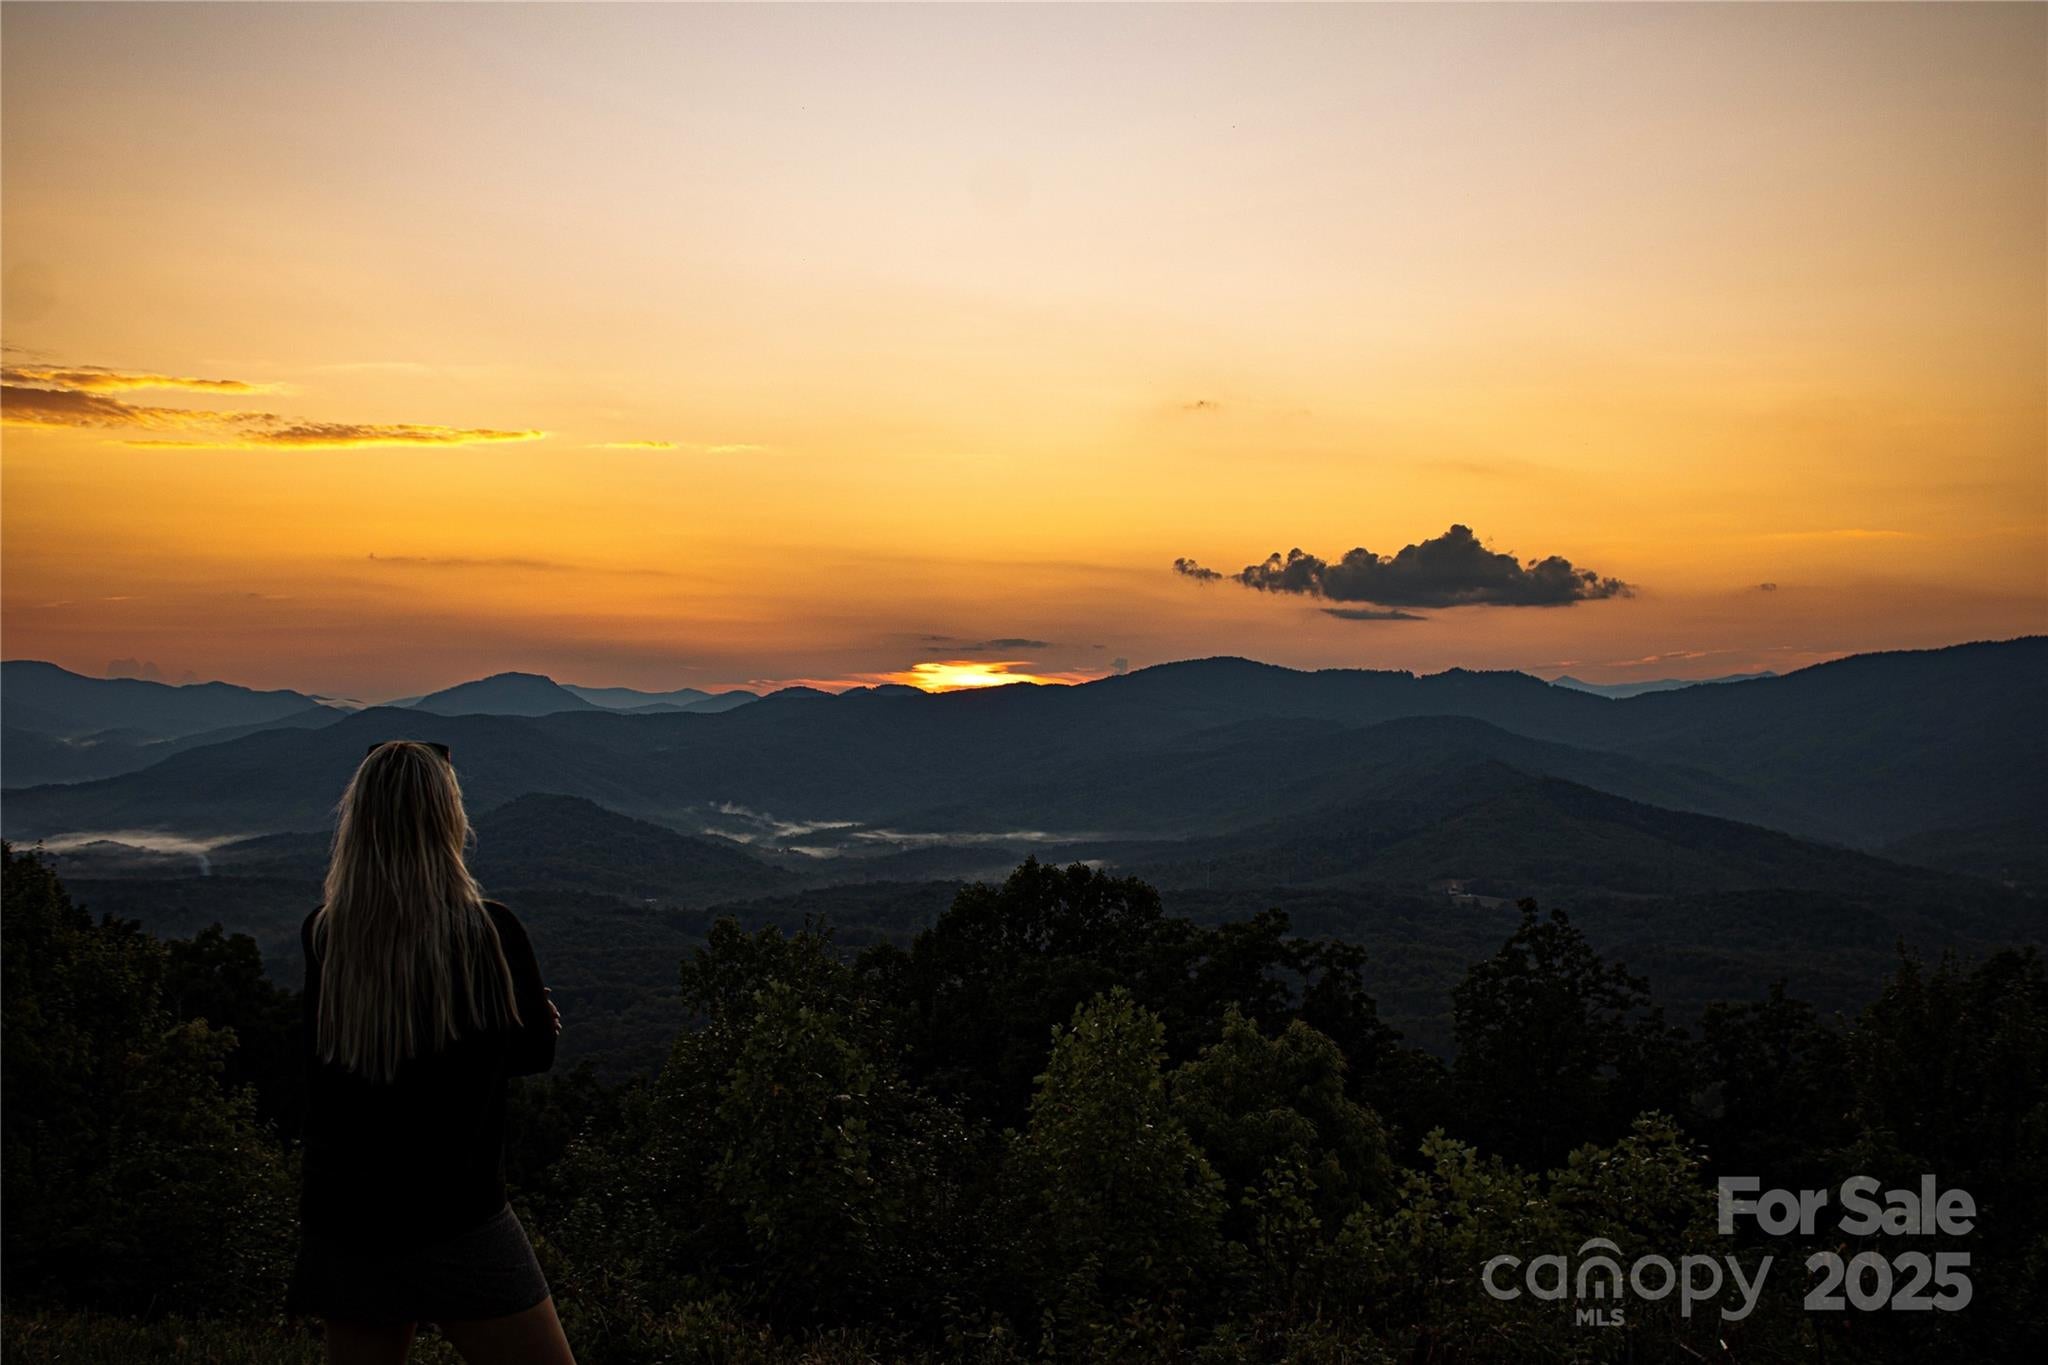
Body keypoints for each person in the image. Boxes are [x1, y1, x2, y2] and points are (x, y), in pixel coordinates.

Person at [287, 739, 575, 1365]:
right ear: (448, 819)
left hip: (347, 1218)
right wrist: (531, 1025)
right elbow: (532, 1053)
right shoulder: (489, 933)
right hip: (459, 1213)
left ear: (359, 820)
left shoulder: (325, 934)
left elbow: (326, 1062)